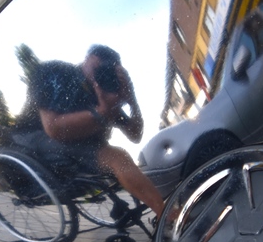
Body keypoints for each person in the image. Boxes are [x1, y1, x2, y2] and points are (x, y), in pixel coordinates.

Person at [29, 44, 165, 218]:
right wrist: (103, 112)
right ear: (87, 59)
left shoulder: (105, 94)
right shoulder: (58, 75)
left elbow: (135, 135)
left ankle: (151, 207)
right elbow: (53, 128)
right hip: (46, 145)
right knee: (118, 157)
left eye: (108, 72)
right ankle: (167, 215)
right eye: (99, 69)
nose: (101, 76)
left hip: (85, 149)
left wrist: (132, 101)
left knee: (121, 158)